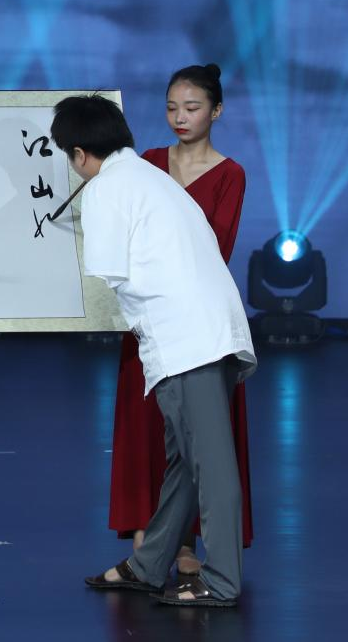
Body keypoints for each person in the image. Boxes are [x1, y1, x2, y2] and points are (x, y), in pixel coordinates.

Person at [58, 94, 257, 607]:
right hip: (208, 332)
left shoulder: (107, 188)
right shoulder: (150, 176)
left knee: (209, 464)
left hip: (186, 340)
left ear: (79, 154)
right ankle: (149, 565)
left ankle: (221, 580)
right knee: (186, 463)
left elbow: (107, 279)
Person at [108, 64, 253, 577]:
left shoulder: (229, 174)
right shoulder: (146, 163)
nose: (180, 117)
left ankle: (185, 542)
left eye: (192, 108)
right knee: (145, 428)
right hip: (147, 318)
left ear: (216, 111)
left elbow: (217, 248)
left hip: (194, 323)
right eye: (172, 108)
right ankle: (146, 534)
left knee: (198, 440)